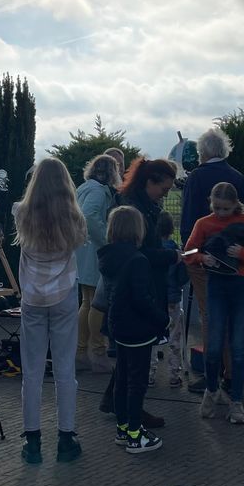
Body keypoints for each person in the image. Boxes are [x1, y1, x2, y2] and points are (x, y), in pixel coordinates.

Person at [14, 157, 89, 464]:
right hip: (64, 297)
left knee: (31, 371)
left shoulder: (21, 212)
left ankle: (32, 442)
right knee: (64, 370)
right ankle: (65, 438)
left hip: (31, 298)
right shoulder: (75, 217)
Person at [99, 158, 179, 427]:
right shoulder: (135, 209)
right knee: (134, 364)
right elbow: (139, 253)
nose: (164, 196)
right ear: (149, 182)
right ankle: (132, 420)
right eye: (163, 190)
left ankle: (117, 405)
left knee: (126, 359)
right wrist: (169, 256)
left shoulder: (136, 204)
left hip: (130, 291)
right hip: (136, 292)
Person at [182, 182, 244, 425]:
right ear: (211, 204)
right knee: (213, 346)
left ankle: (237, 402)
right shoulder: (204, 223)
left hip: (240, 287)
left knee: (238, 347)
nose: (221, 213)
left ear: (235, 205)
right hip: (216, 287)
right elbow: (188, 253)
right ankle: (212, 391)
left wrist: (242, 254)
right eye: (217, 208)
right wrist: (203, 258)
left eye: (226, 209)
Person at [179, 127, 244, 392]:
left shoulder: (197, 178)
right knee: (234, 316)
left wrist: (189, 255)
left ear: (204, 152)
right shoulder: (239, 178)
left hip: (205, 259)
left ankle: (214, 375)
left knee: (210, 315)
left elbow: (188, 222)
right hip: (235, 260)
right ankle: (234, 373)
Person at [99, 205, 166, 454]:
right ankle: (136, 436)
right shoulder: (137, 260)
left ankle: (123, 428)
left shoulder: (108, 258)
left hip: (119, 327)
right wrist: (161, 319)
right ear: (136, 230)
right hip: (138, 329)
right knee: (137, 383)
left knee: (122, 379)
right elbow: (142, 299)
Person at [75, 154, 120, 374]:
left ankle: (82, 352)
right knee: (97, 304)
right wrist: (107, 240)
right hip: (94, 251)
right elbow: (90, 217)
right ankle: (97, 352)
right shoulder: (97, 192)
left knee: (87, 301)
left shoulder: (85, 188)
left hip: (83, 250)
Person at [150, 211, 188, 387]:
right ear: (171, 229)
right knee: (174, 338)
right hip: (173, 299)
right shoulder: (175, 251)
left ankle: (150, 374)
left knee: (152, 338)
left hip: (155, 299)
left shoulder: (151, 250)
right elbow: (182, 278)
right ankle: (174, 375)